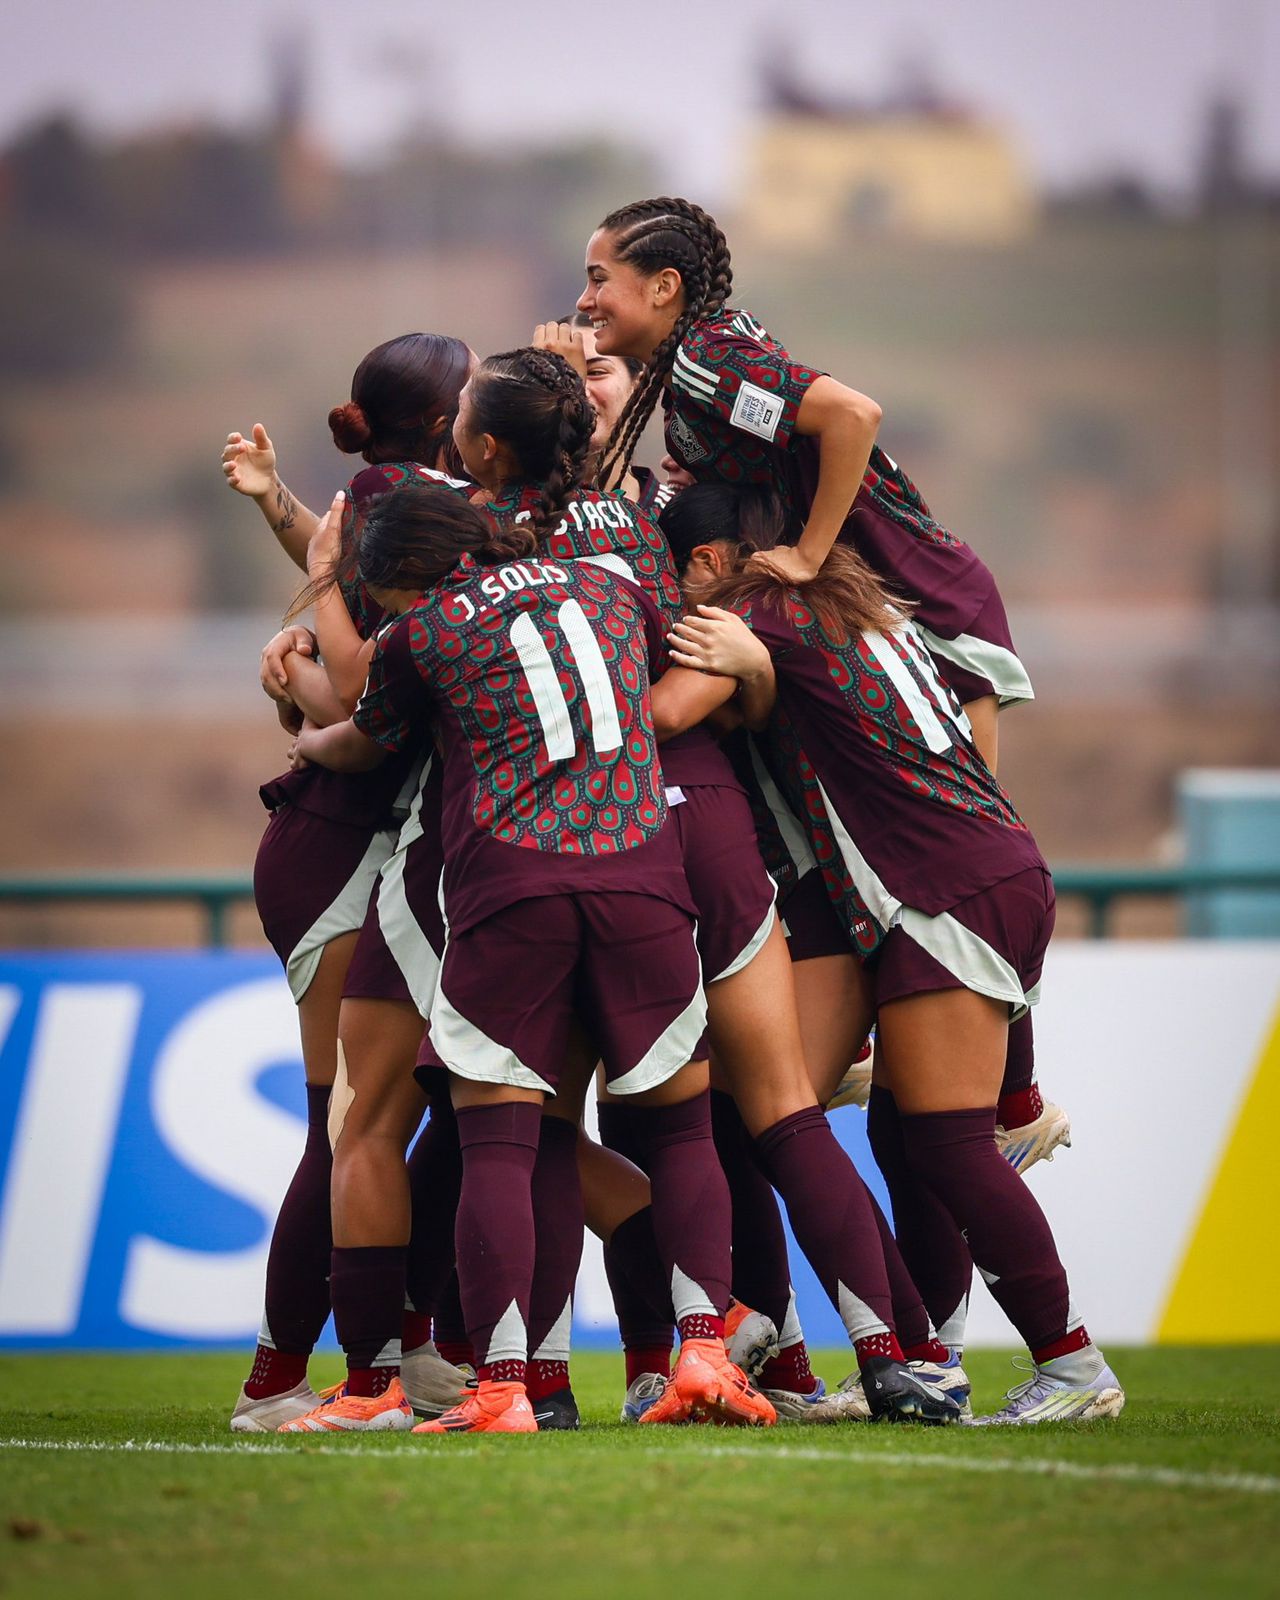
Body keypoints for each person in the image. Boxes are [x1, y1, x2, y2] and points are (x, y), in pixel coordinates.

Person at [281, 483, 776, 1435]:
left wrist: (302, 724)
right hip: (643, 875)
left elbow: (358, 740)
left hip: (512, 890)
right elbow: (693, 667)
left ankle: (503, 1384)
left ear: (403, 580)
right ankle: (705, 1353)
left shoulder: (422, 635)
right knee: (679, 1133)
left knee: (499, 1142)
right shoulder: (611, 584)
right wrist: (754, 672)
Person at [654, 483, 1125, 1425]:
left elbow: (666, 712)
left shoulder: (753, 607)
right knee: (834, 1121)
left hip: (944, 889)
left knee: (948, 1145)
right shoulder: (851, 601)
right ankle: (914, 1358)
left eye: (678, 576)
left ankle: (1074, 1370)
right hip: (955, 881)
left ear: (710, 562)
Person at [220, 333, 476, 1431]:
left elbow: (346, 594)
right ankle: (281, 1377)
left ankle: (409, 1346)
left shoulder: (408, 496)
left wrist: (282, 511)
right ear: (440, 417)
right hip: (340, 842)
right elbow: (357, 639)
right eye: (471, 389)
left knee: (426, 1113)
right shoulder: (410, 496)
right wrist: (319, 700)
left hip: (382, 841)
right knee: (351, 1119)